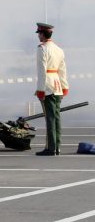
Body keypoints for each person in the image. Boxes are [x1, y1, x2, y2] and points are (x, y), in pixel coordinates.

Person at [34, 22, 68, 156]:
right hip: (57, 85)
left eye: (39, 34)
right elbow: (62, 70)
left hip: (47, 85)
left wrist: (40, 89)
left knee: (50, 118)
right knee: (57, 117)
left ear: (42, 34)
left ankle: (51, 147)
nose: (38, 36)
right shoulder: (59, 49)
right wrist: (65, 86)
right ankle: (57, 146)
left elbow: (42, 71)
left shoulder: (42, 48)